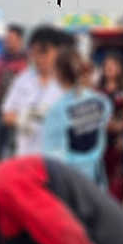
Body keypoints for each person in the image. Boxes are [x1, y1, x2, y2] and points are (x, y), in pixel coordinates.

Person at [42, 49, 113, 186]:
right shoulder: (100, 100)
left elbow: (52, 157)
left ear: (58, 73)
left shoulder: (58, 109)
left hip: (72, 179)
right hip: (96, 176)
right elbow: (104, 122)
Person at [1, 26, 65, 158]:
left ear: (57, 52)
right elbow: (6, 114)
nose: (39, 58)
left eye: (44, 53)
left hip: (55, 157)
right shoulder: (22, 79)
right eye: (35, 53)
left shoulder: (65, 83)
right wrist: (19, 120)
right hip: (25, 155)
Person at [0, 24, 28, 162]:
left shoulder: (27, 61)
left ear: (20, 40)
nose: (8, 42)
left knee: (9, 151)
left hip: (16, 114)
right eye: (7, 39)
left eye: (12, 39)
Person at [98, 53, 123, 203]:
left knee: (117, 183)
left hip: (119, 144)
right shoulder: (96, 90)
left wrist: (122, 126)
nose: (110, 68)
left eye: (113, 65)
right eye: (107, 65)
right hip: (99, 143)